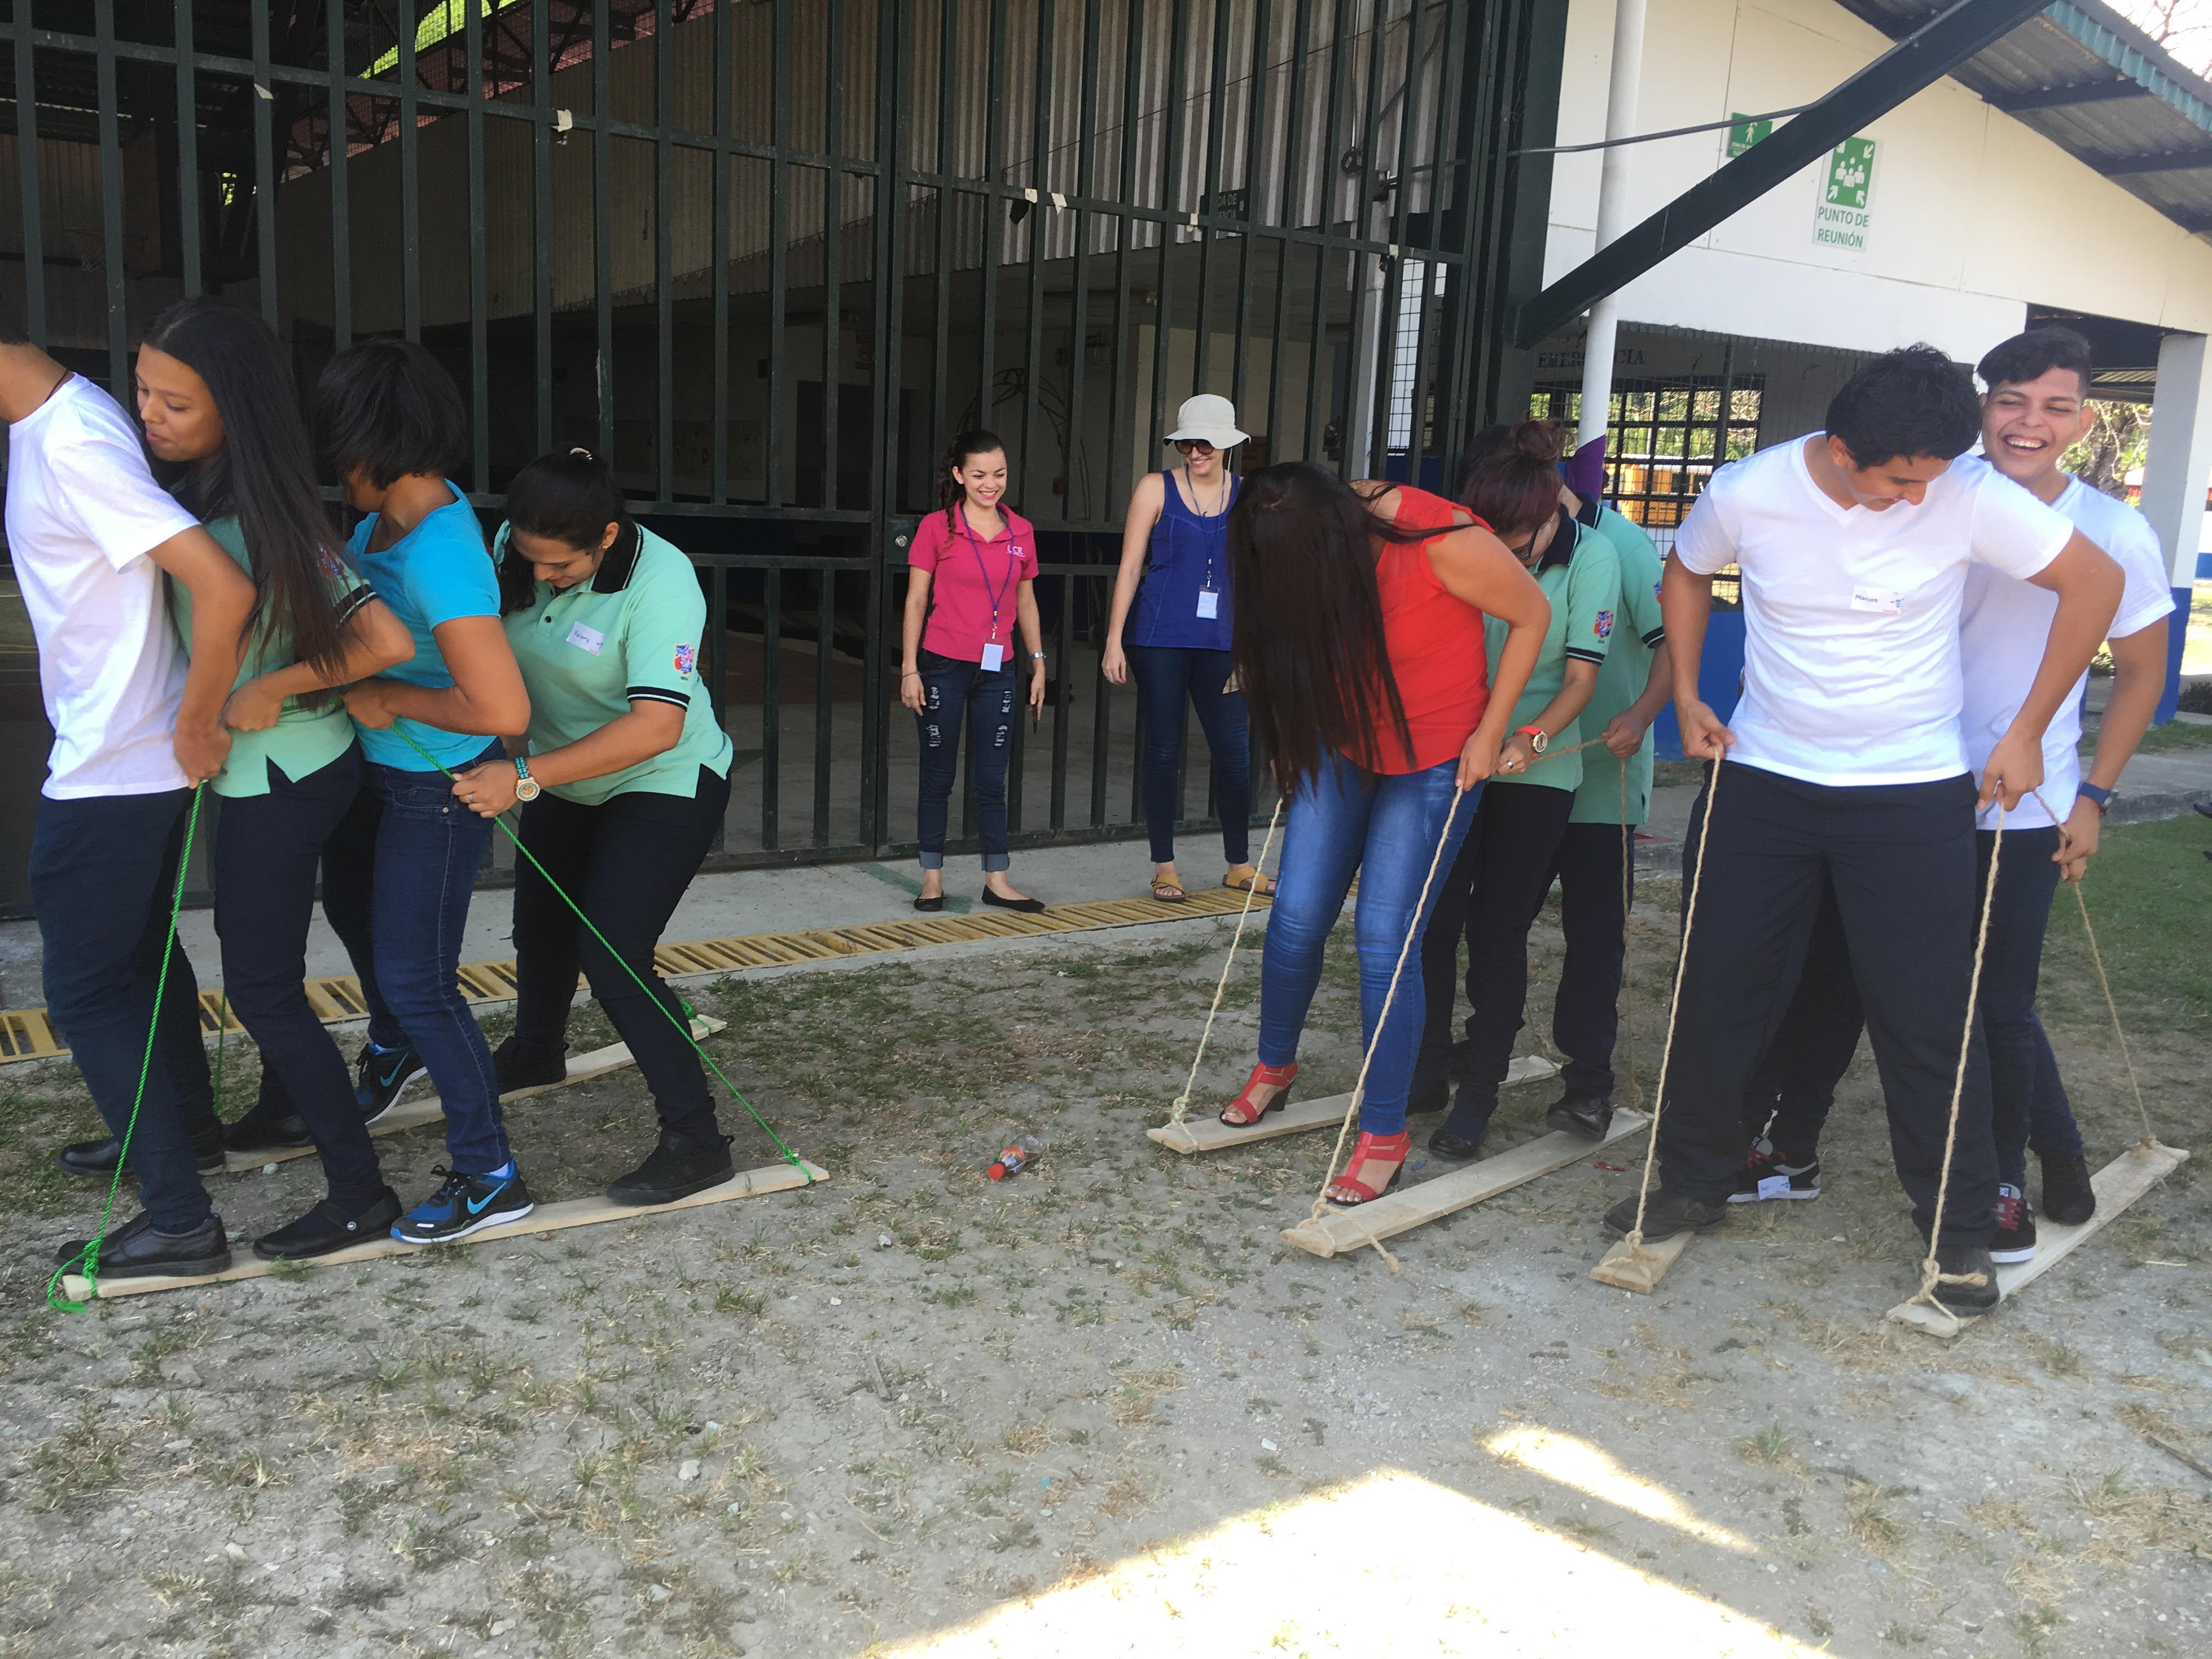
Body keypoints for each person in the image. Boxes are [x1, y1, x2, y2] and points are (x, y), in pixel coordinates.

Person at [1614, 343, 2123, 1314]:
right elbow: (1685, 572)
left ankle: (1957, 1230)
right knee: (1721, 987)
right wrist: (1684, 692)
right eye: (1898, 480)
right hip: (1763, 780)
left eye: (1931, 476)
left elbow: (2091, 587)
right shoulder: (1750, 489)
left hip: (1911, 793)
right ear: (1842, 449)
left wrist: (2023, 730)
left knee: (1928, 1016)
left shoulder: (1964, 491)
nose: (1914, 496)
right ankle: (1688, 1180)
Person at [1730, 328, 2176, 1262]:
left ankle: (2009, 1174)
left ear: (2084, 420)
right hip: (1895, 786)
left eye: (2055, 406)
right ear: (1981, 406)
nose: (2029, 422)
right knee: (1838, 970)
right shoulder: (1926, 488)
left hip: (2018, 801)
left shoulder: (2113, 529)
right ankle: (1789, 1141)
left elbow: (2139, 671)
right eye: (2010, 400)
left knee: (1988, 999)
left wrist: (2092, 791)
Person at [109, 300, 415, 1259]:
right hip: (285, 769)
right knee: (261, 971)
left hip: (284, 773)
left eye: (176, 403)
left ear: (234, 412)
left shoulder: (254, 518)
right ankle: (285, 1107)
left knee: (264, 988)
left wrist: (264, 689)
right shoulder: (226, 496)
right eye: (145, 389)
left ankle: (361, 1192)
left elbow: (383, 639)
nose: (149, 412)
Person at [1215, 462, 1548, 1205]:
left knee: (1383, 939)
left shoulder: (1437, 538)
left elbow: (1532, 617)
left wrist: (1491, 734)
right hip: (1344, 743)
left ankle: (1386, 1132)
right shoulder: (1285, 533)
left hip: (1434, 755)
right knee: (1296, 915)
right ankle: (1276, 1066)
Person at [3, 317, 258, 1280]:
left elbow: (222, 588)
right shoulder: (76, 417)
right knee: (140, 959)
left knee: (84, 987)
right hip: (123, 753)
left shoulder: (74, 442)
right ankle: (184, 1132)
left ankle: (180, 1219)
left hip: (115, 761)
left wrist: (199, 720)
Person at [456, 449, 741, 1205]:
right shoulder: (515, 549)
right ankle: (536, 1050)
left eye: (562, 566)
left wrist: (519, 777)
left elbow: (654, 727)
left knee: (613, 948)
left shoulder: (664, 581)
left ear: (608, 536)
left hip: (663, 776)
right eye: (531, 559)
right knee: (541, 927)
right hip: (565, 772)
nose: (543, 576)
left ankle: (699, 1142)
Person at [315, 339, 536, 1246]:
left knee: (419, 977)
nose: (332, 467)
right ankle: (393, 1043)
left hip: (433, 790)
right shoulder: (379, 525)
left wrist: (390, 695)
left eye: (337, 447)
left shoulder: (442, 549)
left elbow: (502, 705)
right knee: (354, 913)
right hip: (382, 771)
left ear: (373, 444)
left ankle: (491, 1171)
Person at [1412, 421, 1622, 1160]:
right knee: (1433, 921)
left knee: (1496, 929)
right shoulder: (1466, 538)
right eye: (1489, 537)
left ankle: (1478, 1098)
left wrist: (1526, 738)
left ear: (1548, 517)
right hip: (1459, 753)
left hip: (1538, 764)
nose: (1503, 555)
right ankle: (1428, 1067)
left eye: (1519, 540)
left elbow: (1581, 679)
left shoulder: (1592, 557)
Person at [1100, 394, 1268, 901]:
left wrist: (1249, 651)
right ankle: (1165, 867)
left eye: (1205, 444)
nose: (1194, 453)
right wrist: (1114, 639)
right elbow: (1130, 567)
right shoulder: (1156, 487)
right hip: (1159, 638)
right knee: (1163, 752)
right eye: (1186, 444)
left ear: (1228, 445)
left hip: (1223, 643)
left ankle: (1239, 864)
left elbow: (1256, 578)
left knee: (1235, 756)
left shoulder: (1248, 496)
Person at [1544, 481, 1671, 1136]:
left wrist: (1643, 715)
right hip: (1528, 772)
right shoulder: (1507, 537)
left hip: (1602, 775)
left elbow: (1671, 640)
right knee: (1492, 921)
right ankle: (1484, 1045)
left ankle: (1588, 1082)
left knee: (1594, 935)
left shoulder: (1623, 544)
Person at [899, 430, 1048, 913]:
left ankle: (997, 880)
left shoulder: (1020, 531)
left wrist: (1038, 661)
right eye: (979, 474)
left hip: (999, 669)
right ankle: (932, 879)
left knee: (992, 777)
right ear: (959, 476)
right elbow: (916, 599)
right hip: (941, 666)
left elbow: (1025, 599)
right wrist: (909, 668)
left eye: (999, 474)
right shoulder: (937, 529)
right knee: (937, 775)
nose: (991, 484)